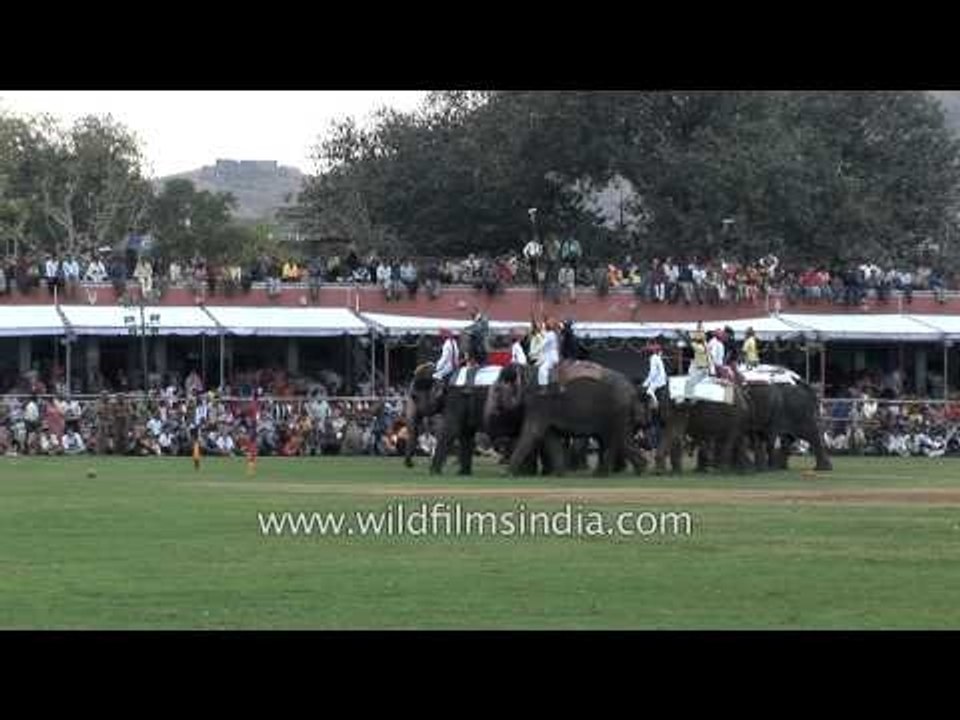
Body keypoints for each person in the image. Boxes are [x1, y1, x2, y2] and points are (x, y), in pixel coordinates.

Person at [643, 343, 668, 410]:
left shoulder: (653, 358)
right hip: (661, 378)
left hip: (659, 379)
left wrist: (646, 382)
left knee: (649, 391)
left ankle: (655, 404)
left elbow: (653, 373)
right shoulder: (657, 357)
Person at [538, 318, 560, 390]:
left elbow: (542, 344)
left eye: (546, 325)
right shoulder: (551, 334)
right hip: (549, 356)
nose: (544, 327)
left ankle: (544, 388)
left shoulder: (550, 334)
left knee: (542, 369)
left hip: (551, 357)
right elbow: (543, 333)